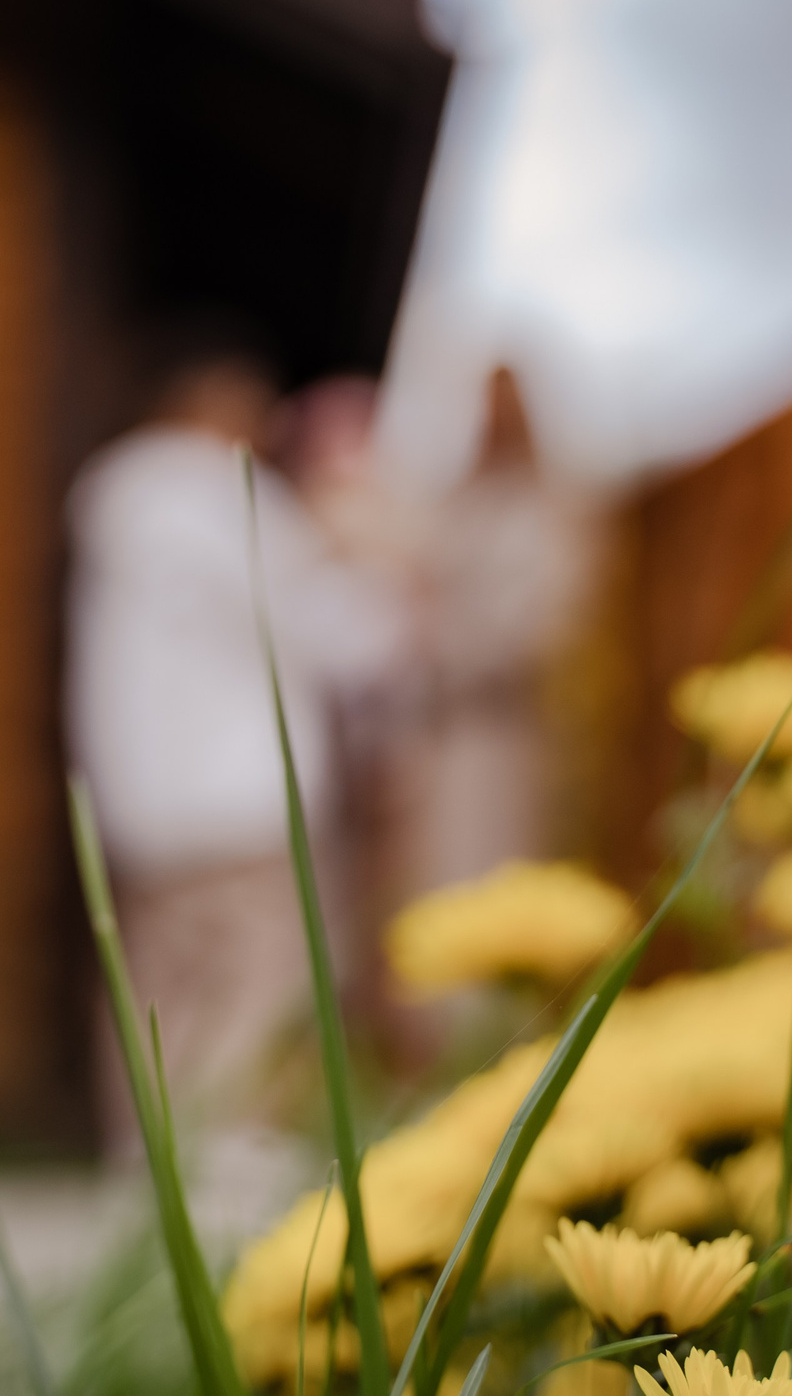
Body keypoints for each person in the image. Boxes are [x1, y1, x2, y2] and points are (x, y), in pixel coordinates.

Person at [65, 350, 408, 1159]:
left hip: (140, 797)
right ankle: (227, 1148)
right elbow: (322, 621)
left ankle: (147, 1146)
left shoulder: (115, 507)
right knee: (258, 973)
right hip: (240, 790)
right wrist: (387, 595)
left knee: (158, 976)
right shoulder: (223, 499)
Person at [385, 366, 602, 906]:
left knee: (499, 859)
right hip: (440, 724)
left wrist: (456, 644)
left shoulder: (550, 507)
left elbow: (550, 616)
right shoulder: (458, 502)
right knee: (439, 868)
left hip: (505, 721)